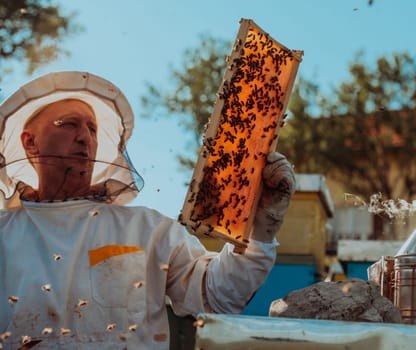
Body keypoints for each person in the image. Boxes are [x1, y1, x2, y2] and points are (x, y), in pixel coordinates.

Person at [0, 71, 295, 349]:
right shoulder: (4, 233)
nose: (84, 137)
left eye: (91, 128)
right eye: (68, 124)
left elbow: (216, 296)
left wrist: (261, 227)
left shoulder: (146, 229)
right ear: (30, 142)